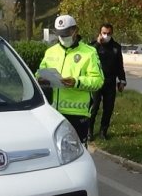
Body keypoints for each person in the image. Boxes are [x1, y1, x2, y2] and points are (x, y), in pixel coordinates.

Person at [37, 15, 104, 144]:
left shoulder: (89, 53)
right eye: (60, 34)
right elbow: (39, 72)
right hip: (52, 112)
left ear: (75, 31)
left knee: (76, 153)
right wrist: (40, 79)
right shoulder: (50, 52)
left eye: (66, 33)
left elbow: (98, 81)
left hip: (77, 114)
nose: (63, 37)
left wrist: (77, 82)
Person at [89, 23, 126, 141]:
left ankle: (103, 132)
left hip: (110, 81)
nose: (106, 35)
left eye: (109, 33)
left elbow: (120, 65)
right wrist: (98, 44)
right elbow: (88, 57)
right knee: (93, 107)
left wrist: (122, 80)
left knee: (108, 108)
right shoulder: (93, 46)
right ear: (100, 33)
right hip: (96, 81)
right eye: (104, 33)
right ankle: (89, 131)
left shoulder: (116, 47)